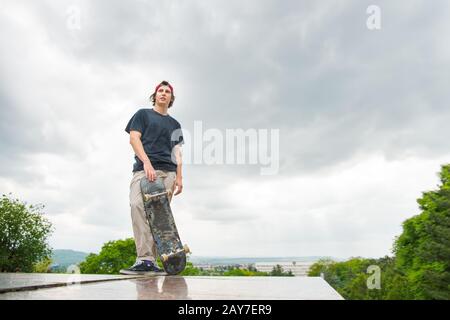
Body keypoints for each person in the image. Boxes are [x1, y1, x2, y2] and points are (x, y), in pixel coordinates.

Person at [120, 80, 184, 275]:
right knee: (137, 205)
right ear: (155, 95)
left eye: (167, 92)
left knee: (159, 217)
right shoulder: (143, 114)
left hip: (168, 172)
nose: (163, 93)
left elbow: (177, 153)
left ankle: (153, 262)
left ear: (171, 98)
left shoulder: (175, 124)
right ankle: (144, 260)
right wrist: (147, 163)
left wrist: (179, 177)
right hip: (143, 170)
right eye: (160, 91)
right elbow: (133, 138)